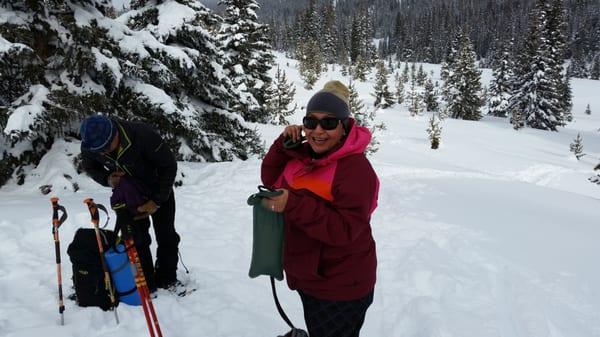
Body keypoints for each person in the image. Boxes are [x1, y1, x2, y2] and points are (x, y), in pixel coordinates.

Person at [261, 81, 379, 337]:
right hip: (311, 276)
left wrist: (292, 203)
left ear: (345, 127)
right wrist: (283, 145)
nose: (318, 130)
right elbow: (271, 181)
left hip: (340, 285)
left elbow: (345, 229)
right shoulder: (308, 155)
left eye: (328, 123)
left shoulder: (355, 170)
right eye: (310, 122)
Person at [79, 115, 180, 292]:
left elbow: (169, 166)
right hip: (128, 194)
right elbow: (89, 166)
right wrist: (107, 178)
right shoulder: (91, 144)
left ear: (115, 134)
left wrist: (156, 201)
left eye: (106, 148)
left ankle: (167, 278)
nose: (103, 153)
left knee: (166, 235)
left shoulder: (143, 135)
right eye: (99, 151)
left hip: (157, 187)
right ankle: (147, 283)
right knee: (137, 239)